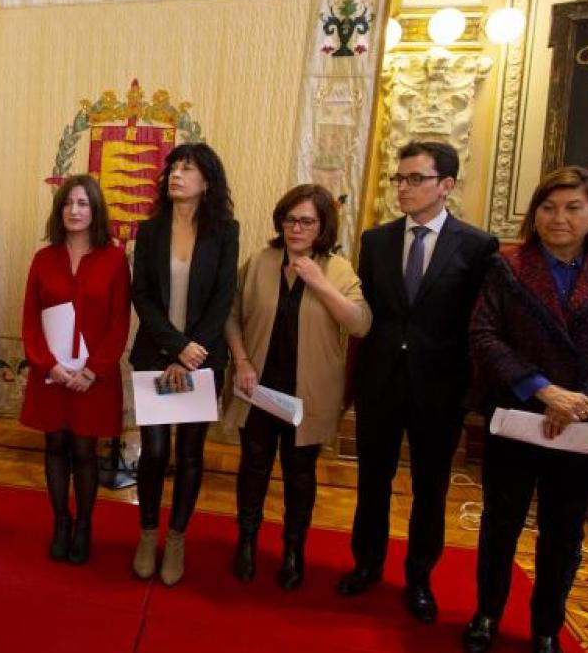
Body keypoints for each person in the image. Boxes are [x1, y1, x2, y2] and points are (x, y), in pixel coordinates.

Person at [463, 166, 588, 653]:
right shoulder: (508, 265)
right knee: (499, 524)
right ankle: (487, 614)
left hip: (586, 424)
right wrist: (544, 390)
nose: (559, 218)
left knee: (564, 531)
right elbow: (484, 335)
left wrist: (582, 399)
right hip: (519, 414)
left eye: (573, 207)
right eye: (549, 207)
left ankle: (546, 627)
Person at [338, 141, 499, 623]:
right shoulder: (377, 240)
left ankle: (420, 577)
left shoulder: (476, 246)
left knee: (431, 487)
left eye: (415, 179)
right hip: (380, 381)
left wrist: (473, 392)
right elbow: (367, 315)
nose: (402, 189)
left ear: (446, 186)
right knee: (372, 481)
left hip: (440, 387)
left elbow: (480, 323)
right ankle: (366, 563)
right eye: (399, 179)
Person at [224, 184, 371, 589]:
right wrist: (241, 360)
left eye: (307, 221)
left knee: (299, 475)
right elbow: (231, 316)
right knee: (253, 468)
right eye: (290, 219)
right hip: (258, 389)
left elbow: (360, 323)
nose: (296, 228)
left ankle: (293, 550)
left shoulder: (339, 270)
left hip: (308, 395)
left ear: (322, 226)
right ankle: (247, 542)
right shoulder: (260, 261)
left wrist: (319, 282)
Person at [129, 143, 239, 587]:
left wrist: (194, 352)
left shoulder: (225, 231)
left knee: (190, 454)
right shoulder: (150, 230)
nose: (177, 174)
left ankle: (176, 539)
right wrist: (175, 347)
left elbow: (222, 298)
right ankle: (147, 533)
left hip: (202, 359)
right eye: (173, 167)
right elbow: (143, 296)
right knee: (154, 453)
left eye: (187, 169)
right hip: (157, 355)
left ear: (206, 181)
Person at [19, 175, 131, 566]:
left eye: (83, 204)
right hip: (51, 375)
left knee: (84, 451)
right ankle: (60, 523)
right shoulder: (43, 259)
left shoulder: (115, 259)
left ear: (95, 210)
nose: (75, 210)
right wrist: (48, 365)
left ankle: (84, 524)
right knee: (55, 447)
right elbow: (30, 320)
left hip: (92, 379)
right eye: (68, 203)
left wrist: (94, 370)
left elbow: (119, 322)